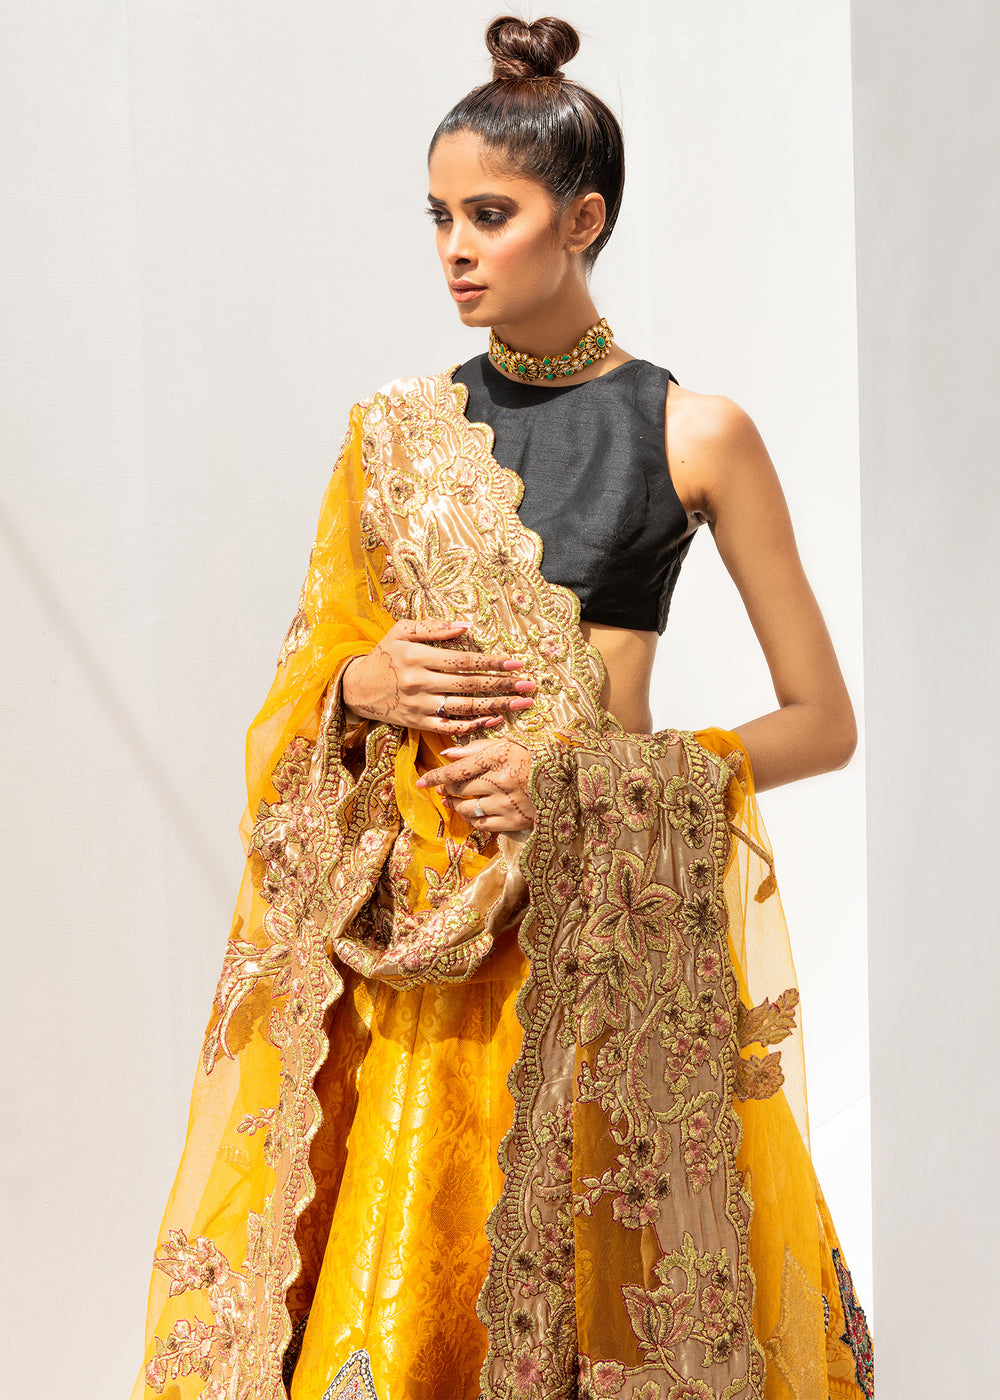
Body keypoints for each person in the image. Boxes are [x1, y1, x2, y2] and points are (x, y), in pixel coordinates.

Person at [133, 16, 874, 1400]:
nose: (455, 250)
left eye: (491, 214)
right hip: (431, 964)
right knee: (418, 1309)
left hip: (610, 935)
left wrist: (585, 785)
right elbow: (310, 683)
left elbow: (821, 722)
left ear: (581, 221)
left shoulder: (694, 432)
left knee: (630, 1316)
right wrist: (361, 686)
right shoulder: (393, 436)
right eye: (439, 216)